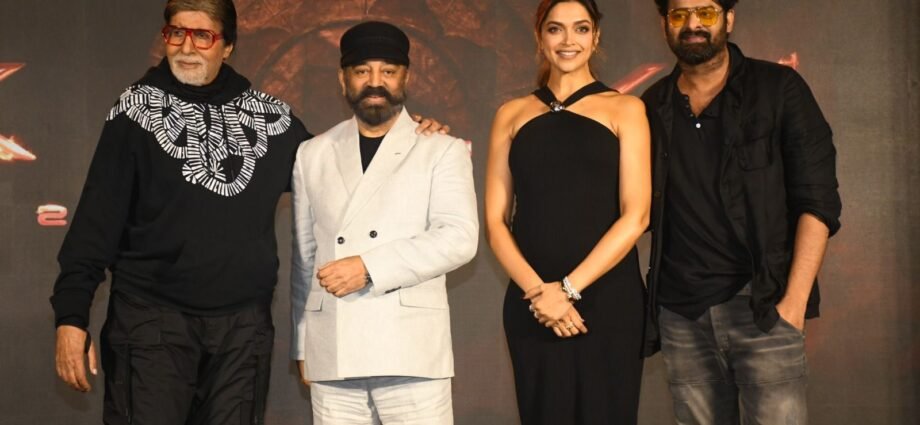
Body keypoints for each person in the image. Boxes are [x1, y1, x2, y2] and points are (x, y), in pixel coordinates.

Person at [50, 2, 444, 423]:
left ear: (228, 46)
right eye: (176, 33)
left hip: (242, 333)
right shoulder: (135, 111)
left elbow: (335, 169)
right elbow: (95, 222)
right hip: (151, 324)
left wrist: (406, 136)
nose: (187, 47)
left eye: (203, 36)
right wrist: (71, 317)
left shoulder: (269, 117)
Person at [641, 1, 842, 423]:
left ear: (728, 18)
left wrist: (793, 305)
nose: (692, 24)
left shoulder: (779, 88)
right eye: (679, 14)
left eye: (706, 12)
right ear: (665, 23)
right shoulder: (652, 105)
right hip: (682, 313)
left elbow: (818, 200)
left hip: (764, 307)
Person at [290, 21, 478, 424]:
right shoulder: (312, 153)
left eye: (388, 71)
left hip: (410, 351)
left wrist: (368, 267)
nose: (375, 82)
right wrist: (304, 344)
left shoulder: (441, 149)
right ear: (343, 79)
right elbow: (305, 258)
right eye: (362, 71)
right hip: (333, 348)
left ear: (405, 77)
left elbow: (459, 238)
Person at [484, 0, 651, 423]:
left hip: (607, 301)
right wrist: (541, 294)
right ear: (540, 37)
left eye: (580, 28)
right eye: (555, 29)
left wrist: (568, 290)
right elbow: (496, 222)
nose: (568, 40)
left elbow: (636, 215)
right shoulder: (510, 114)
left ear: (596, 37)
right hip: (533, 304)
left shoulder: (626, 109)